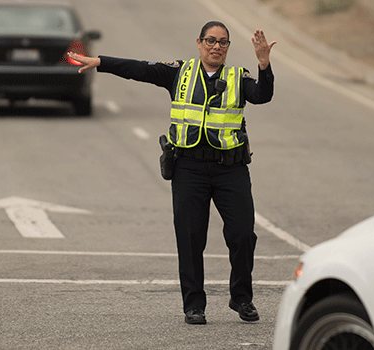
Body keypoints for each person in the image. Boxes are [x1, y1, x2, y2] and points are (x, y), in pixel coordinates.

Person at [68, 21, 275, 325]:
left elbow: (262, 95)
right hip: (189, 168)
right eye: (210, 40)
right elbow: (139, 69)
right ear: (199, 42)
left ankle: (241, 298)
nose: (216, 46)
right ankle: (194, 305)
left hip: (231, 168)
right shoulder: (180, 72)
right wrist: (101, 62)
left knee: (243, 234)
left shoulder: (238, 77)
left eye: (223, 42)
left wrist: (264, 65)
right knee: (190, 237)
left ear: (228, 47)